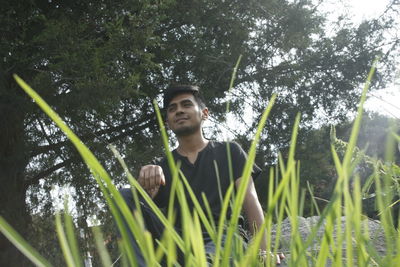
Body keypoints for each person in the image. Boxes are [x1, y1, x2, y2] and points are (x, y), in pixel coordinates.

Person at [119, 85, 284, 265]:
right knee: (125, 195)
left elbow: (250, 200)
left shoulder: (230, 151)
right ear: (167, 122)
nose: (179, 110)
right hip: (179, 242)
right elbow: (142, 210)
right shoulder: (161, 166)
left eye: (186, 105)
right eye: (172, 109)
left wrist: (264, 251)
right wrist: (145, 184)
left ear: (204, 113)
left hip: (224, 237)